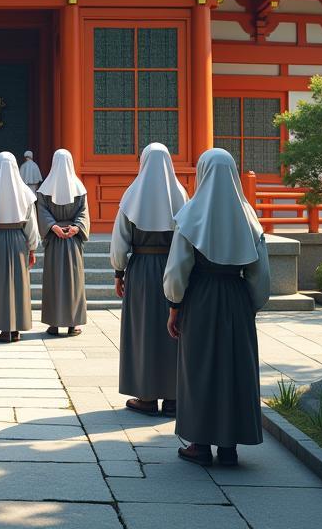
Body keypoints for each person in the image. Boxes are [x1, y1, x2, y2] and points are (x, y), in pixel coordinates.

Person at [164, 147, 270, 468]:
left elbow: (177, 270)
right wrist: (249, 305)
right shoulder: (249, 216)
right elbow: (260, 276)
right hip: (236, 295)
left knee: (200, 368)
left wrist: (174, 306)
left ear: (202, 172)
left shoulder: (190, 216)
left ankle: (199, 443)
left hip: (201, 297)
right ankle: (229, 447)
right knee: (234, 370)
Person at [111, 143, 188, 415]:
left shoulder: (131, 196)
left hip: (142, 268)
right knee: (175, 329)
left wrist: (119, 272)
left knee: (143, 329)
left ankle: (146, 395)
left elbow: (120, 242)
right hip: (173, 265)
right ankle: (174, 398)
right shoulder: (181, 195)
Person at [0, 151, 41, 342]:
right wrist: (32, 248)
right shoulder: (26, 194)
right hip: (19, 240)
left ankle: (4, 328)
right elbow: (31, 224)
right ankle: (17, 327)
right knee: (19, 284)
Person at [37, 148, 90, 337]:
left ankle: (53, 323)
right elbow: (83, 212)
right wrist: (76, 227)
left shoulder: (44, 189)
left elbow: (42, 211)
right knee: (73, 282)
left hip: (55, 241)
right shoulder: (79, 188)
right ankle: (72, 324)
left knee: (53, 281)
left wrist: (53, 227)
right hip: (72, 242)